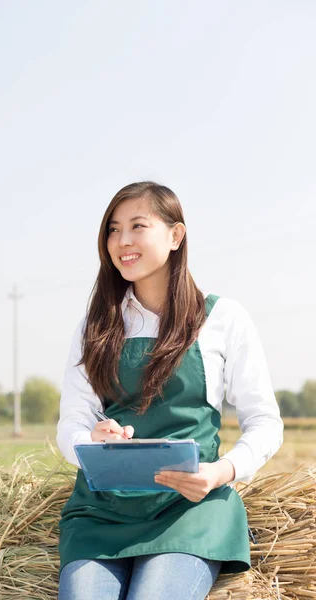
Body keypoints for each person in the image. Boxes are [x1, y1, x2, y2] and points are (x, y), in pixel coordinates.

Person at [56, 181, 283, 600]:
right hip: (102, 512)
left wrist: (220, 472)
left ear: (176, 235)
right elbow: (72, 419)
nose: (122, 241)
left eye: (137, 226)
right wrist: (90, 440)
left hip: (190, 510)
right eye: (112, 229)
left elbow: (265, 422)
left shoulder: (222, 318)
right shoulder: (96, 326)